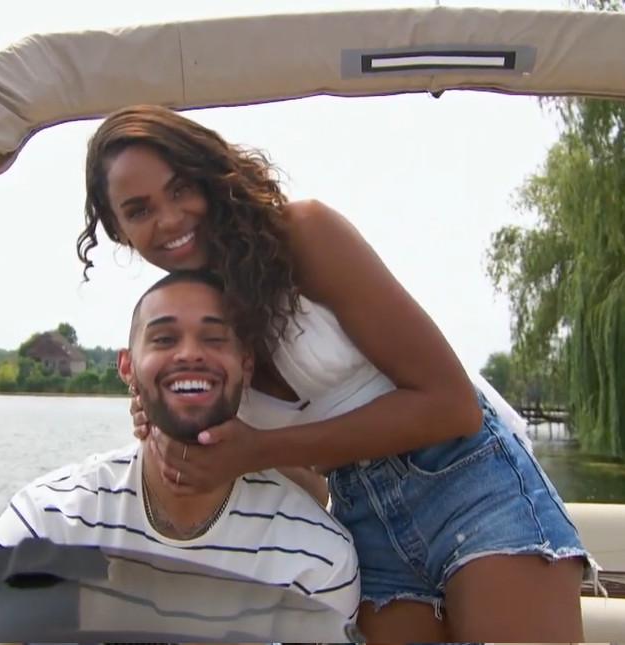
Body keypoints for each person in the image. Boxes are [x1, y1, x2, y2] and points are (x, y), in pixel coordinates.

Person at [77, 105, 593, 642]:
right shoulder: (195, 332)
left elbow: (451, 407)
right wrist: (175, 430)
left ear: (209, 173)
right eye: (139, 210)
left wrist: (256, 450)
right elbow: (308, 484)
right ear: (119, 231)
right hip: (360, 518)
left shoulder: (303, 233)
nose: (168, 219)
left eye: (180, 188)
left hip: (465, 476)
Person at [0, 269, 360, 620]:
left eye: (214, 338)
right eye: (164, 339)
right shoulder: (49, 519)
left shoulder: (317, 555)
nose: (190, 353)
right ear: (127, 367)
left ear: (246, 365)